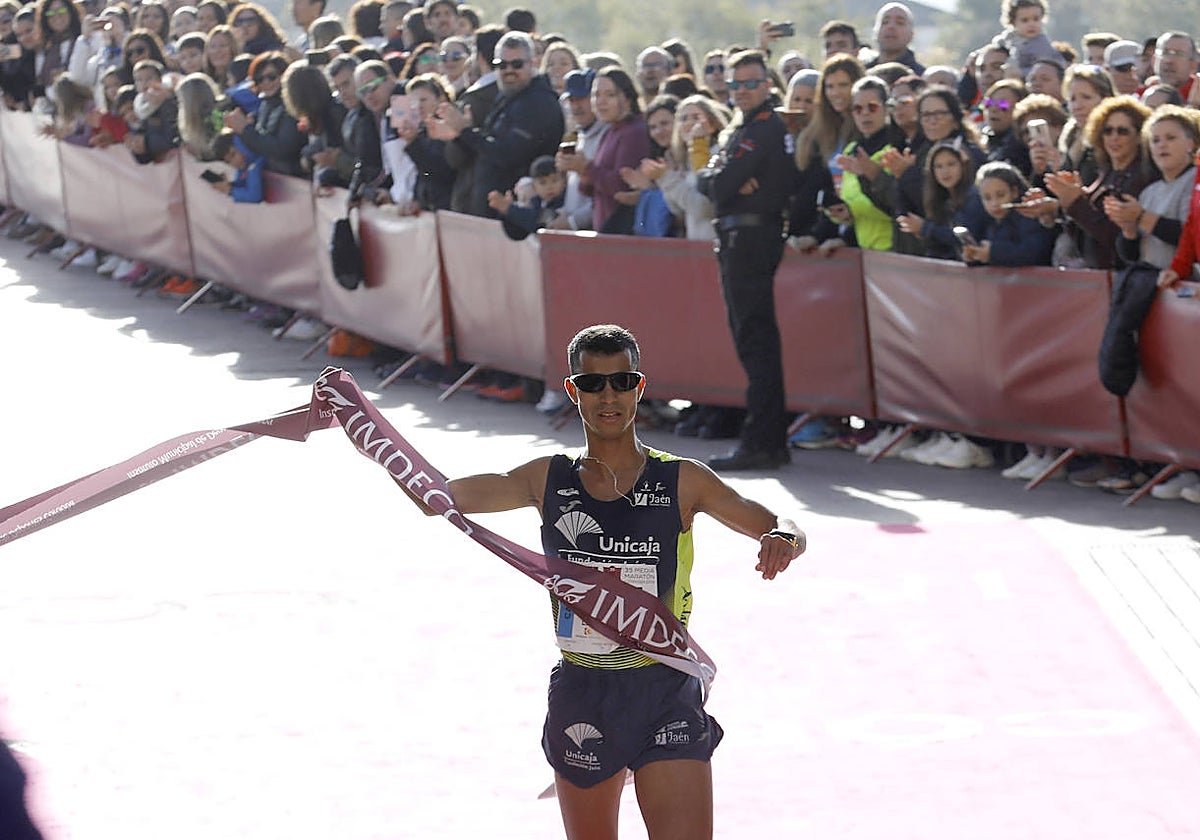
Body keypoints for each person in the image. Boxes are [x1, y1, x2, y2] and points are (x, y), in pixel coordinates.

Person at [399, 323, 803, 840]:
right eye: (592, 385)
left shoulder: (682, 479)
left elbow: (776, 521)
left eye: (621, 382)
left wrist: (784, 538)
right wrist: (361, 423)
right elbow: (435, 496)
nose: (608, 397)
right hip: (584, 693)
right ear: (573, 391)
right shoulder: (546, 478)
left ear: (639, 386)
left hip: (663, 687)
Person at [697, 50, 795, 471]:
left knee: (756, 339)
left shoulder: (766, 126)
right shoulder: (742, 127)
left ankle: (764, 440)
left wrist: (727, 178)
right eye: (735, 85)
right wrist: (725, 177)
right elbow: (709, 180)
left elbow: (720, 184)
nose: (741, 92)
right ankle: (767, 438)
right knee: (749, 337)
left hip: (753, 236)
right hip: (737, 233)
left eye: (751, 84)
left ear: (768, 84)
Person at [866, 3, 923, 74]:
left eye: (900, 23)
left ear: (911, 35)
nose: (891, 26)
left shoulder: (922, 77)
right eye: (885, 22)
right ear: (875, 31)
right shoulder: (860, 74)